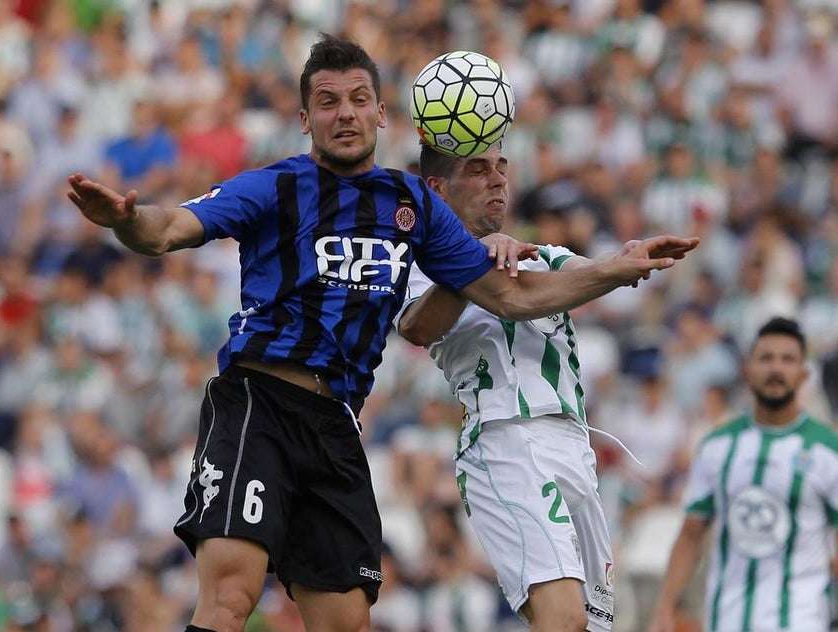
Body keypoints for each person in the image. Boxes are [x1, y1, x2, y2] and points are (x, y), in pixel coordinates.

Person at [66, 35, 697, 632]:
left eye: (359, 98)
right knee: (232, 594)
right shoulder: (276, 185)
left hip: (338, 424)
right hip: (258, 403)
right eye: (328, 101)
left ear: (382, 114)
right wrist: (125, 222)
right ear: (305, 118)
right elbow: (168, 229)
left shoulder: (412, 204)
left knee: (347, 621)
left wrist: (617, 268)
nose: (345, 113)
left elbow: (510, 295)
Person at [398, 141, 695, 631]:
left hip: (575, 449)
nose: (498, 179)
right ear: (438, 188)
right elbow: (419, 327)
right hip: (506, 440)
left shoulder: (542, 257)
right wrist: (471, 261)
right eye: (478, 169)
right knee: (564, 619)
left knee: (591, 627)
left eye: (501, 167)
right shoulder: (417, 266)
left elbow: (578, 275)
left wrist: (621, 262)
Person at [648, 317, 838, 632]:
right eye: (766, 358)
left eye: (788, 359)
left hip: (799, 622)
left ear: (804, 374)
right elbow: (690, 534)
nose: (776, 368)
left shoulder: (834, 453)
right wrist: (664, 609)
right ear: (747, 371)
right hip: (725, 621)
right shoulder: (716, 446)